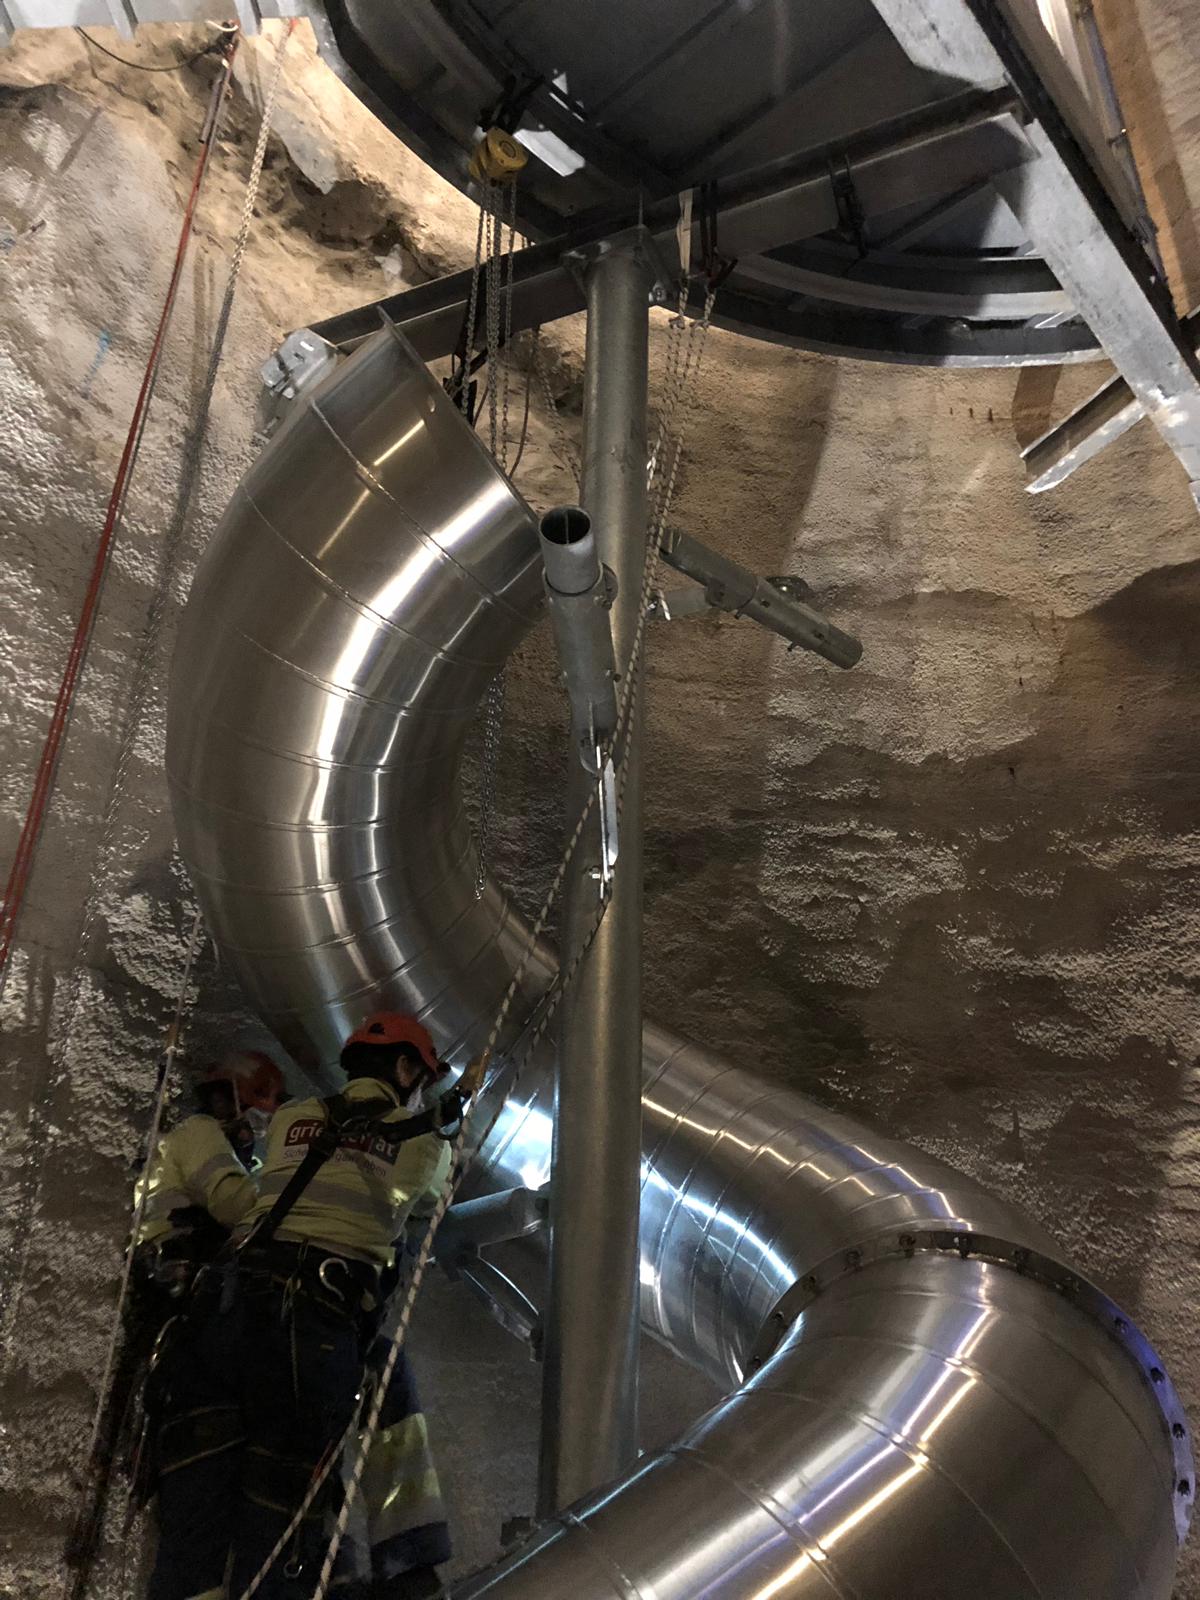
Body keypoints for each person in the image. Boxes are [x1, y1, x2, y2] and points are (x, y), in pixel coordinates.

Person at [231, 1012, 454, 1600]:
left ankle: (349, 1569)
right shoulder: (421, 1137)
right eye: (420, 1079)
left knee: (282, 1465)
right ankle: (406, 1566)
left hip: (244, 1307)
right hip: (318, 1316)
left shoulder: (292, 1118)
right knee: (306, 1469)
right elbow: (427, 1203)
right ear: (404, 1069)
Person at [141, 1050, 286, 1600]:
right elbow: (234, 1204)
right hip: (193, 1306)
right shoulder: (199, 1133)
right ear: (237, 1098)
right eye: (264, 1103)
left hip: (186, 1312)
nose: (266, 1118)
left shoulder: (212, 1146)